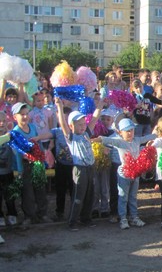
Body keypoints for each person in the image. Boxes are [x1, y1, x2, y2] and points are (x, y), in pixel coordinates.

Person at [93, 118, 156, 229]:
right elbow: (107, 140)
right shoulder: (119, 142)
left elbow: (147, 137)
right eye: (127, 131)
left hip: (135, 174)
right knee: (123, 197)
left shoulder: (136, 140)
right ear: (120, 132)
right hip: (124, 175)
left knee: (133, 197)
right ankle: (123, 219)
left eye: (131, 130)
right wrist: (94, 140)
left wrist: (158, 133)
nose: (130, 133)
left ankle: (134, 217)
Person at [55, 98, 102, 231]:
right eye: (79, 124)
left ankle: (86, 218)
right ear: (72, 126)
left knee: (90, 194)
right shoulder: (71, 137)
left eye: (83, 123)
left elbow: (94, 119)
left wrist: (100, 106)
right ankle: (72, 221)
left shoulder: (87, 133)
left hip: (90, 167)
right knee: (78, 196)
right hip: (80, 169)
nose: (83, 126)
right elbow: (63, 124)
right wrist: (59, 106)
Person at [12, 102, 52, 226]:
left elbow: (38, 144)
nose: (25, 117)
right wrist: (19, 170)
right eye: (21, 114)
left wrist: (42, 161)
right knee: (27, 192)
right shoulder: (15, 132)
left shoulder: (33, 127)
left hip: (37, 163)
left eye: (26, 114)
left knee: (40, 189)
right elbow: (17, 154)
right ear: (15, 117)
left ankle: (42, 214)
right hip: (25, 165)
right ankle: (29, 216)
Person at [0, 112, 16, 227]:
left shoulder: (11, 135)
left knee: (10, 194)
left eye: (4, 121)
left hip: (8, 172)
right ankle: (0, 215)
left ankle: (12, 213)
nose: (1, 123)